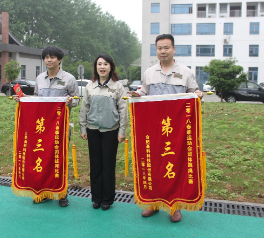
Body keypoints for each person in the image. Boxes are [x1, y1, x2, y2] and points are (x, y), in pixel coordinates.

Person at [137, 34, 202, 222]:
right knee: (155, 165)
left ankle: (175, 206)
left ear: (173, 49)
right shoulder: (149, 73)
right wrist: (137, 95)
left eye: (166, 48)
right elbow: (144, 94)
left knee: (176, 165)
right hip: (155, 130)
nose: (163, 51)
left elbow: (193, 95)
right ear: (156, 50)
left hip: (177, 132)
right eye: (159, 48)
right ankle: (154, 202)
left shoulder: (185, 72)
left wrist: (198, 94)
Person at [29, 46, 79, 207]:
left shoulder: (69, 78)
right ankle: (45, 192)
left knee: (60, 158)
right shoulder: (39, 78)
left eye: (52, 57)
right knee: (44, 158)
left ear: (59, 60)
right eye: (46, 57)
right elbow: (36, 98)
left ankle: (62, 193)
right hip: (43, 128)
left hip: (61, 127)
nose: (49, 60)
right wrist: (23, 99)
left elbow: (77, 99)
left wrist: (71, 101)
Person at [79, 54, 127, 210]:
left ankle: (107, 199)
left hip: (111, 131)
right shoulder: (90, 86)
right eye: (99, 64)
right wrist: (83, 127)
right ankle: (96, 198)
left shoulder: (118, 86)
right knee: (95, 165)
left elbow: (123, 109)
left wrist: (122, 130)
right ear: (96, 67)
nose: (102, 67)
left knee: (108, 165)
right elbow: (84, 107)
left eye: (105, 64)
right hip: (92, 130)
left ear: (111, 67)